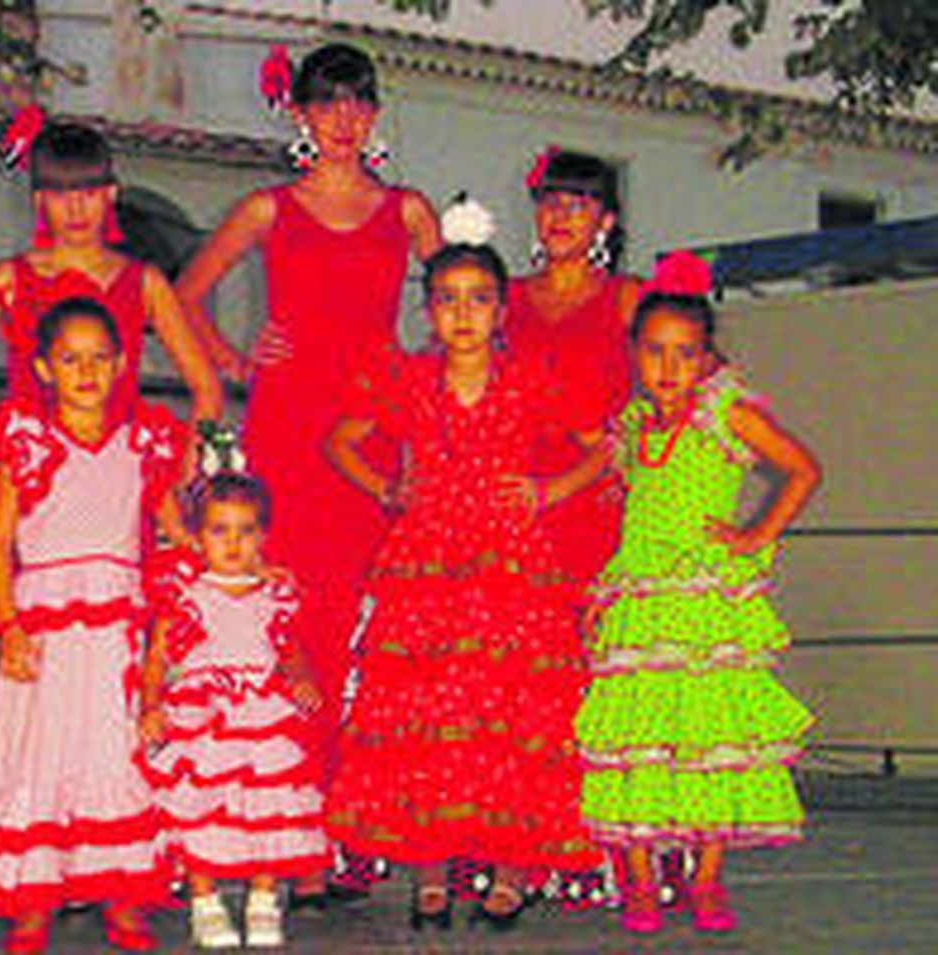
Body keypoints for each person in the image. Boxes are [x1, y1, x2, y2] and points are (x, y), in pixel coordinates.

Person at [175, 44, 442, 841]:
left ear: (375, 113)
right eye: (326, 104)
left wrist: (425, 387)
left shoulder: (409, 211)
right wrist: (237, 361)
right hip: (289, 426)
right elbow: (184, 295)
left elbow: (467, 304)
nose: (343, 120)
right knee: (293, 614)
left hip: (372, 432)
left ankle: (356, 820)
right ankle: (287, 812)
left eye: (357, 103)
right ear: (299, 113)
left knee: (372, 615)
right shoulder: (268, 208)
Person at [323, 222, 606, 932]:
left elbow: (603, 448)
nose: (463, 313)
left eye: (478, 299)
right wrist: (388, 487)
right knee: (432, 719)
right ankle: (431, 875)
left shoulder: (530, 378)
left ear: (501, 309)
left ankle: (509, 873)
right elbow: (340, 441)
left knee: (509, 718)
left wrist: (548, 491)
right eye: (447, 299)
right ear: (429, 311)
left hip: (512, 568)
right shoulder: (410, 378)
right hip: (428, 568)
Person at [574, 251, 820, 935]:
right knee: (641, 736)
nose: (669, 367)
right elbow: (613, 500)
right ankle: (644, 878)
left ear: (706, 356)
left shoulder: (725, 414)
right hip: (643, 600)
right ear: (635, 353)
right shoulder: (633, 426)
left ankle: (707, 876)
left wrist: (753, 532)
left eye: (685, 353)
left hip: (706, 603)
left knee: (710, 736)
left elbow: (801, 468)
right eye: (655, 351)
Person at [0, 298, 190, 954]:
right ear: (43, 367)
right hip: (42, 628)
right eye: (71, 358)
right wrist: (7, 623)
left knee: (110, 750)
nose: (86, 370)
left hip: (115, 626)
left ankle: (119, 888)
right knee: (37, 748)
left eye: (99, 358)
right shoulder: (27, 441)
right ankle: (32, 895)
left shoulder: (143, 441)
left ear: (121, 364)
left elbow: (172, 527)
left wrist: (230, 559)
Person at [139, 472, 328, 949]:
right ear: (198, 536)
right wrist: (151, 705)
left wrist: (302, 676)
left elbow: (287, 649)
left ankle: (263, 898)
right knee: (202, 809)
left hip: (262, 716)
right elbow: (157, 659)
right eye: (219, 531)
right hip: (204, 717)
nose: (233, 543)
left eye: (245, 531)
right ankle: (205, 899)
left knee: (265, 807)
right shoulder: (183, 595)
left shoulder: (275, 594)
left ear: (263, 536)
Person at [0, 117, 223, 424]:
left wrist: (191, 466)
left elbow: (208, 388)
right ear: (39, 201)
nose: (76, 210)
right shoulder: (7, 280)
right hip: (29, 460)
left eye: (89, 193)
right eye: (60, 195)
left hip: (120, 459)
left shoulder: (145, 283)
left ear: (111, 194)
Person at [508, 147, 642, 586]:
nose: (560, 216)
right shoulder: (502, 296)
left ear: (605, 222)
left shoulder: (627, 297)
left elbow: (695, 373)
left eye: (579, 204)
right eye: (551, 202)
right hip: (513, 495)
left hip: (593, 497)